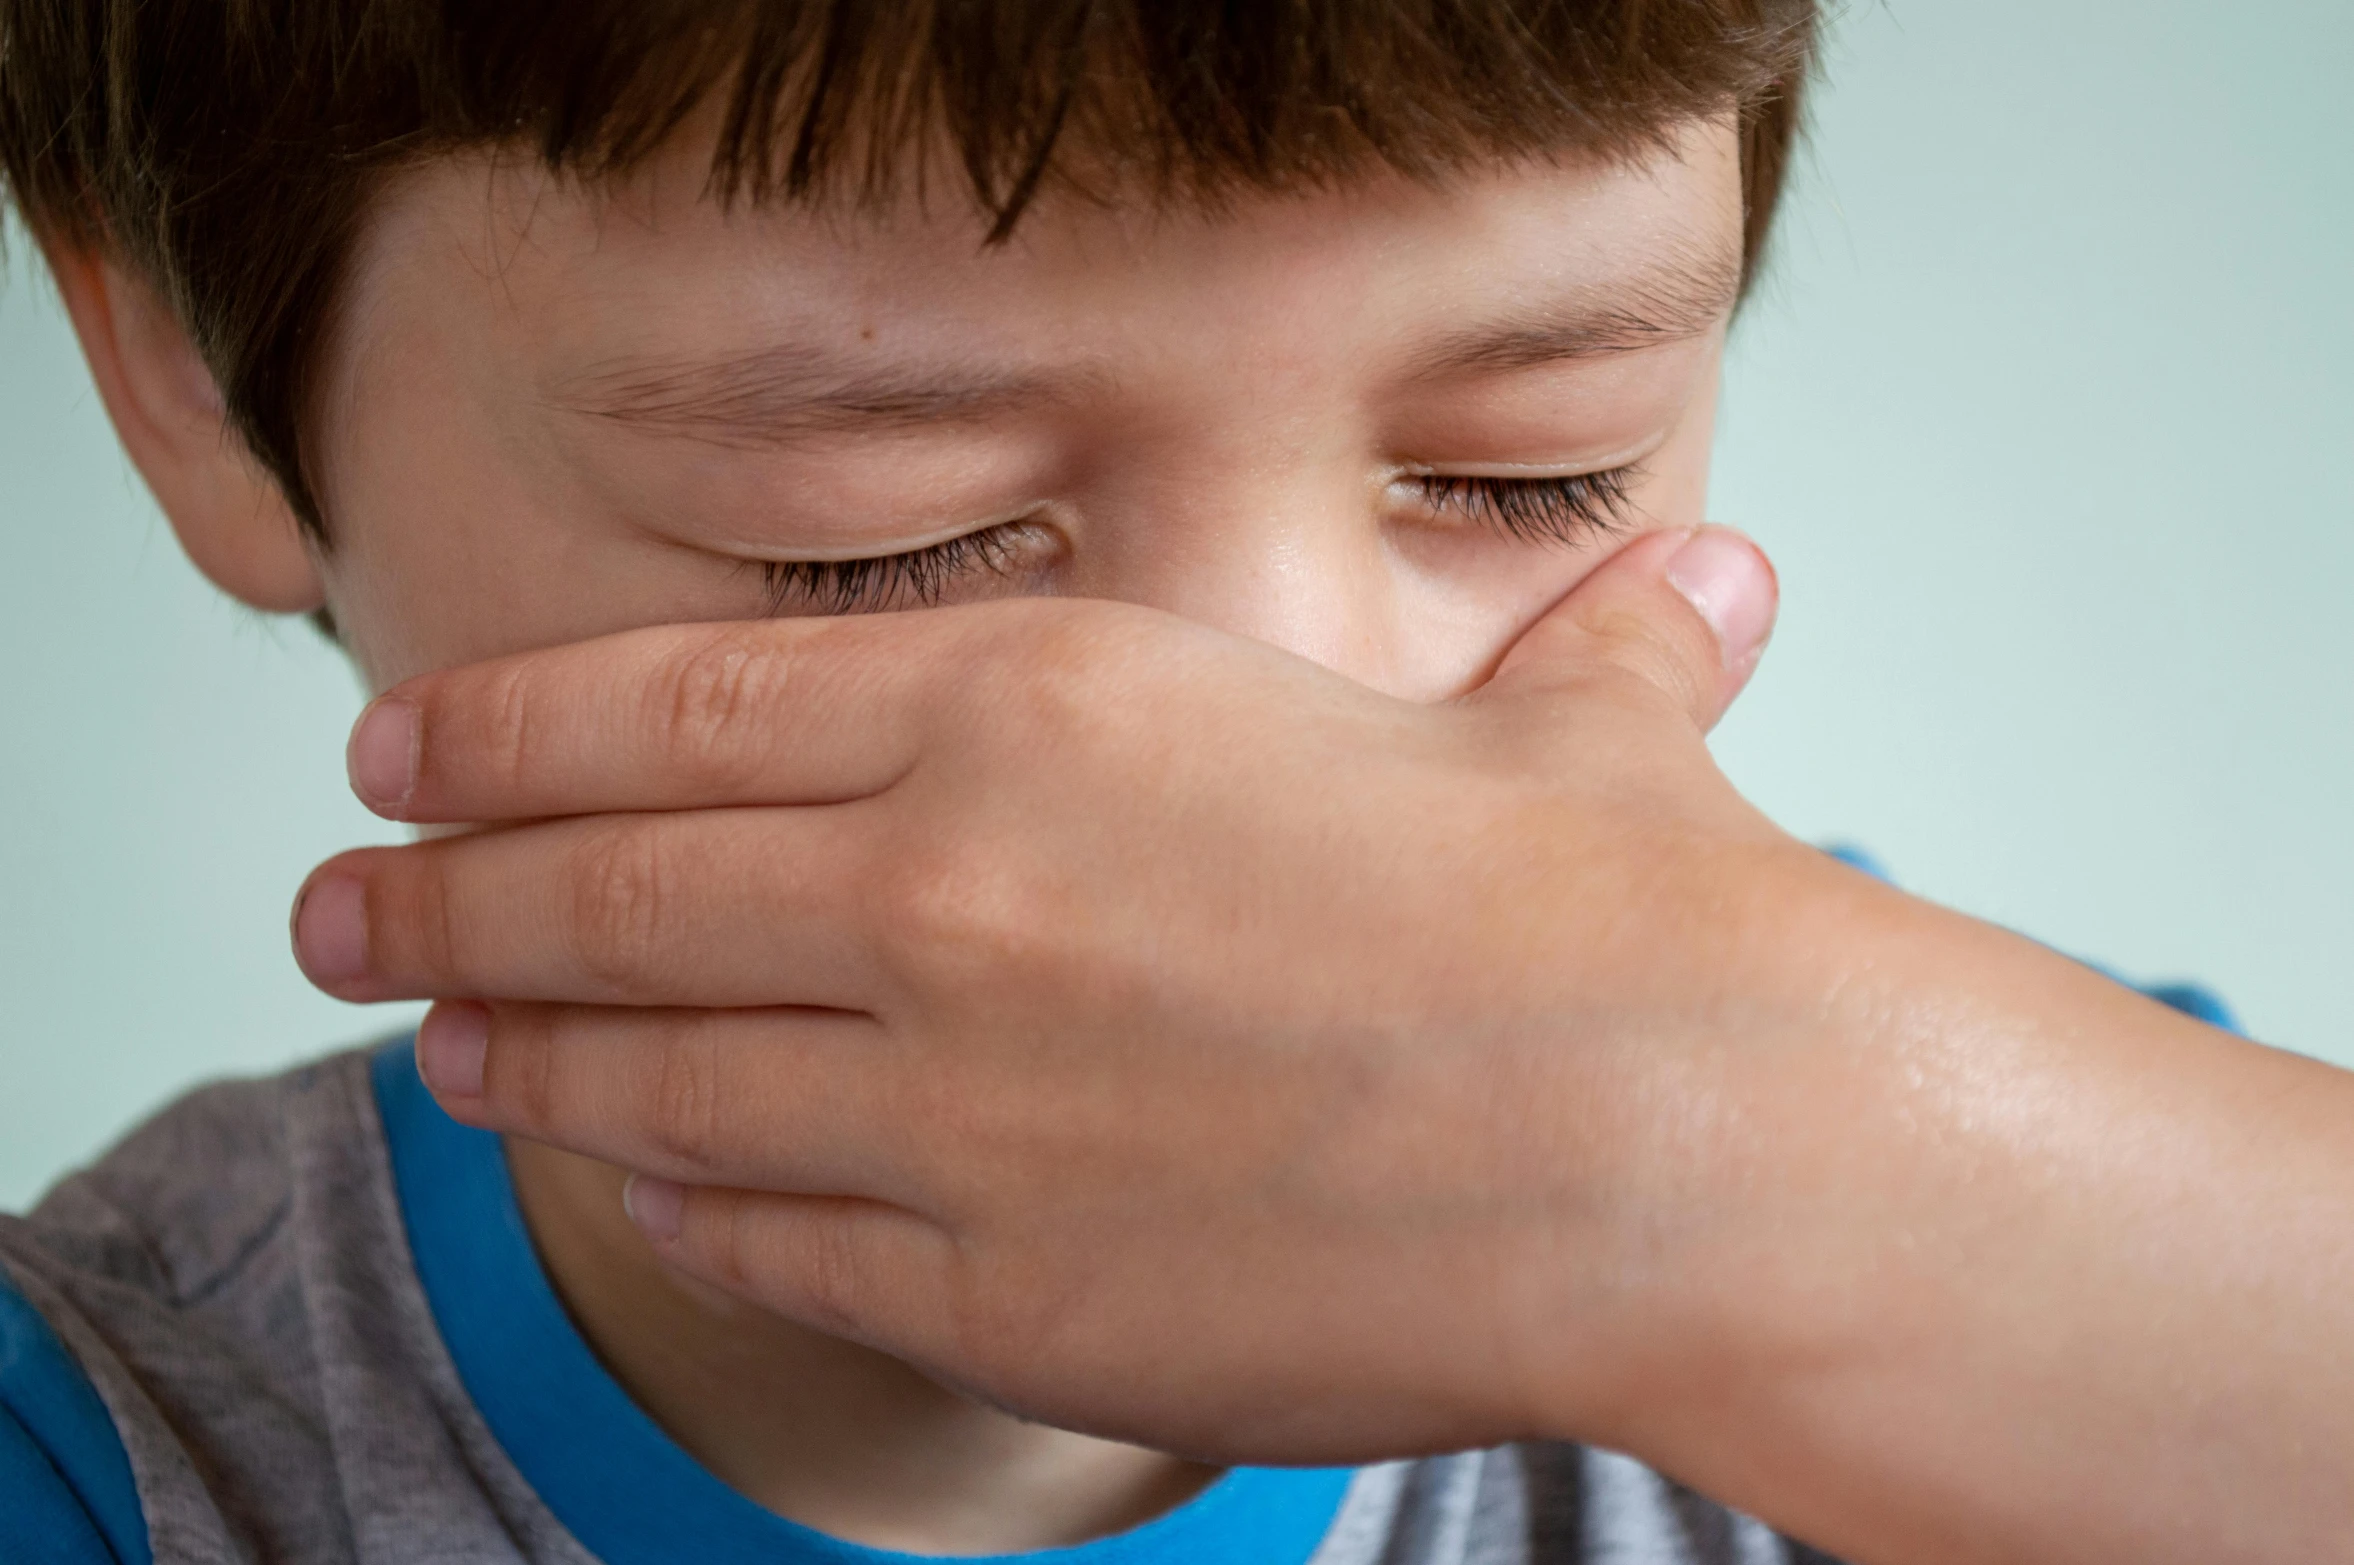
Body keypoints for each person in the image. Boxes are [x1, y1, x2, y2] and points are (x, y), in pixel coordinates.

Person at [5, 3, 2349, 1563]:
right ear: (194, 378)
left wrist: (1712, 1158)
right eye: (890, 531)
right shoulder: (114, 1448)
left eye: (1523, 472)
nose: (1256, 779)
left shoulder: (2076, 1274)